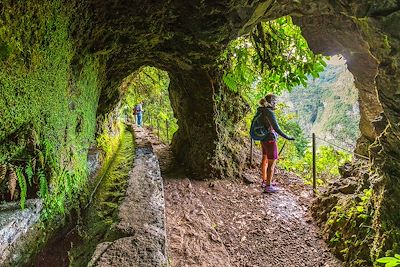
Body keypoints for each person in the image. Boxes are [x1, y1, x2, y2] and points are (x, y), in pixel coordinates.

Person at [258, 94, 295, 193]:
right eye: (275, 102)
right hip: (270, 139)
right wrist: (287, 137)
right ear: (272, 102)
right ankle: (268, 186)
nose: (276, 104)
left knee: (264, 159)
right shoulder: (269, 112)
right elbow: (277, 128)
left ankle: (265, 180)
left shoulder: (260, 110)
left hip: (263, 138)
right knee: (272, 162)